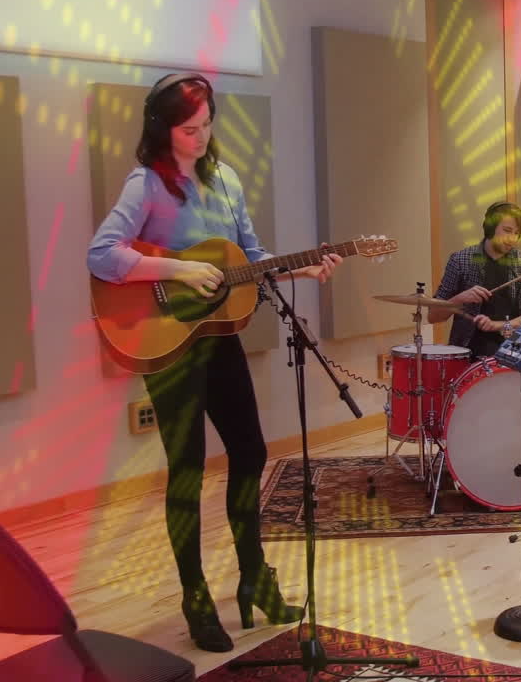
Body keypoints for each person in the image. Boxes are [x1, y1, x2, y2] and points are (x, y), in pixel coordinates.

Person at [87, 73, 339, 652]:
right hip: (165, 342)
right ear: (162, 128)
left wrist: (302, 267)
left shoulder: (225, 179)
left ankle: (255, 576)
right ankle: (196, 596)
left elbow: (249, 257)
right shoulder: (146, 184)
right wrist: (180, 270)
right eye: (188, 129)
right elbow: (102, 255)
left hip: (218, 334)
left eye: (206, 126)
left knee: (250, 451)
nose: (201, 138)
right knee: (189, 467)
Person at [429, 202, 521, 358]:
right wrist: (460, 298)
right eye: (507, 230)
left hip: (512, 353)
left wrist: (495, 326)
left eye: (516, 233)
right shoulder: (461, 260)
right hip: (467, 354)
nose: (512, 239)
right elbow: (433, 316)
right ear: (490, 227)